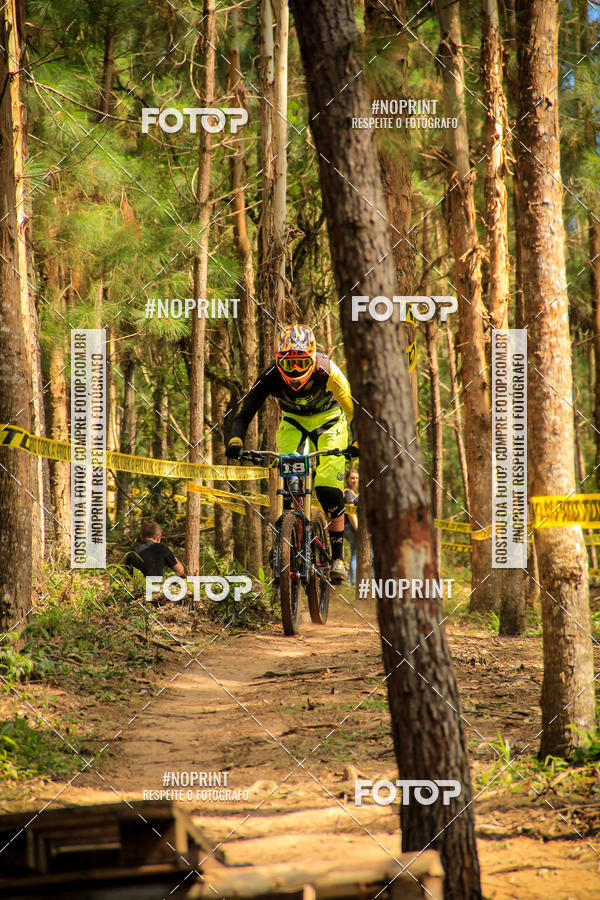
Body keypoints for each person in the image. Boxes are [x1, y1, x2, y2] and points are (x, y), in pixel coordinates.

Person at [225, 324, 358, 583]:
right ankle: (289, 544)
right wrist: (235, 441)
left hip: (330, 421)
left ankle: (338, 558)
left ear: (311, 358)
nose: (295, 371)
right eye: (289, 364)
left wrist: (359, 441)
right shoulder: (270, 376)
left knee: (329, 490)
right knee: (291, 482)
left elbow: (352, 410)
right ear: (278, 362)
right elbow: (245, 412)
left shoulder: (327, 371)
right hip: (294, 421)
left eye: (300, 364)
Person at [344, 469, 359, 585]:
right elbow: (350, 513)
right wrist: (357, 528)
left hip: (351, 527)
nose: (355, 480)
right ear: (347, 480)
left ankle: (351, 581)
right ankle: (352, 582)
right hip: (350, 527)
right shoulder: (348, 493)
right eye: (352, 478)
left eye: (357, 478)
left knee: (355, 553)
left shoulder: (353, 493)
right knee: (355, 553)